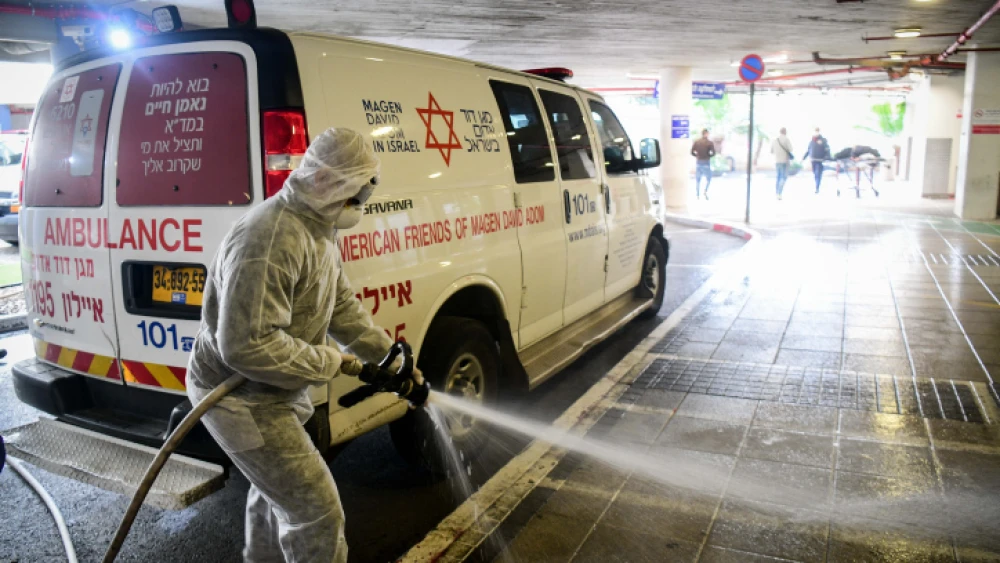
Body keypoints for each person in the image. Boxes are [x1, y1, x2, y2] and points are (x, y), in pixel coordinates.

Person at [187, 128, 420, 563]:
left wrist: (386, 357)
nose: (359, 207)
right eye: (357, 196)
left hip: (270, 390)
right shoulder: (269, 239)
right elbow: (245, 346)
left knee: (275, 493)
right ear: (329, 182)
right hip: (238, 398)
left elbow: (339, 305)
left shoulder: (319, 226)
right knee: (316, 511)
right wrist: (333, 362)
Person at [803, 128, 831, 194]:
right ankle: (817, 186)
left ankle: (817, 187)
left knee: (818, 174)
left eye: (817, 131)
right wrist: (804, 157)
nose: (816, 133)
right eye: (815, 131)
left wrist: (827, 157)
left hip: (820, 160)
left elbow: (827, 149)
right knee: (815, 174)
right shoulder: (811, 141)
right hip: (813, 160)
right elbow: (808, 150)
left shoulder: (823, 140)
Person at [691, 129, 715, 200]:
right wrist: (708, 156)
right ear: (706, 134)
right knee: (708, 178)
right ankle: (705, 191)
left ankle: (697, 194)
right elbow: (713, 153)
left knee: (698, 179)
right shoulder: (709, 143)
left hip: (698, 162)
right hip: (706, 162)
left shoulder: (697, 142)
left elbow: (692, 152)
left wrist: (697, 156)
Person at [771, 128, 793, 200]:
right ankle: (779, 193)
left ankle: (777, 192)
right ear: (785, 132)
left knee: (778, 176)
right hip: (785, 161)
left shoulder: (775, 140)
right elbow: (791, 149)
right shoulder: (786, 139)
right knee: (784, 177)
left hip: (777, 161)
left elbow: (771, 151)